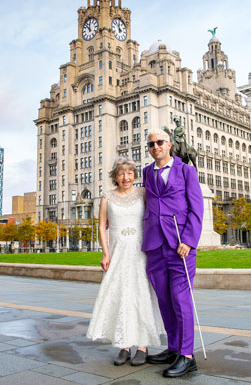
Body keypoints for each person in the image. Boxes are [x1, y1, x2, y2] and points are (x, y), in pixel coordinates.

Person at [87, 157, 163, 366]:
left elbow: (155, 216)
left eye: (129, 173)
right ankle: (123, 345)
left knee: (140, 294)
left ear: (134, 175)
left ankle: (142, 346)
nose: (126, 177)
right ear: (115, 177)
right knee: (121, 294)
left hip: (140, 251)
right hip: (117, 251)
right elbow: (102, 226)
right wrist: (105, 253)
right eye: (121, 173)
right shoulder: (107, 197)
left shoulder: (142, 194)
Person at [142, 129, 204, 378]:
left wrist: (189, 240)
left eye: (159, 142)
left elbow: (197, 209)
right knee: (165, 301)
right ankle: (173, 347)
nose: (155, 146)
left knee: (181, 299)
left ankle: (187, 356)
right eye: (151, 144)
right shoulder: (147, 172)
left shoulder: (186, 170)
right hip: (155, 245)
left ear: (169, 145)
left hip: (180, 246)